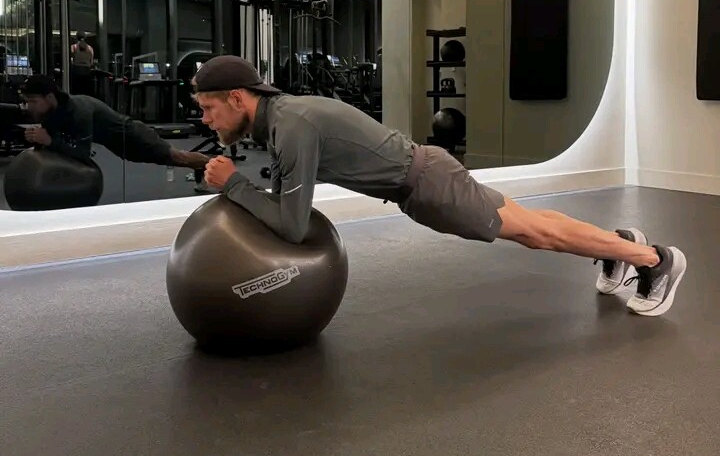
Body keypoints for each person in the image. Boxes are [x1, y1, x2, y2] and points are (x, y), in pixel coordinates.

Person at [194, 56, 686, 318]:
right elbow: (282, 204)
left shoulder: (292, 127)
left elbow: (291, 226)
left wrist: (233, 183)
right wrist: (238, 185)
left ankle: (654, 260)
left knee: (537, 235)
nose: (206, 119)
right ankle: (620, 245)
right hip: (427, 176)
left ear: (237, 98)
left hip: (429, 185)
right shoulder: (282, 122)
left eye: (209, 108)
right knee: (534, 223)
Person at [20, 75, 208, 172]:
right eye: (27, 102)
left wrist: (49, 141)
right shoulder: (52, 111)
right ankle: (206, 170)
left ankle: (217, 165)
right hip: (122, 148)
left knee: (180, 158)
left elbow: (83, 154)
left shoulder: (78, 110)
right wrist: (38, 138)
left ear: (50, 97)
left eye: (33, 101)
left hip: (135, 137)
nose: (30, 107)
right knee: (180, 160)